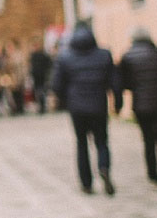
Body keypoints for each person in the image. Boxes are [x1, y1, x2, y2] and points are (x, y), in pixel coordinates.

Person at [50, 21, 121, 195]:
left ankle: (86, 183)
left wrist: (66, 100)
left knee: (81, 143)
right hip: (98, 106)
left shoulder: (65, 57)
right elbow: (115, 83)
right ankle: (104, 167)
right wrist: (118, 103)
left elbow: (56, 85)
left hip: (77, 109)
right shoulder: (104, 55)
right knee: (102, 141)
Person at [119, 26, 157, 186]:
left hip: (141, 105)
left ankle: (153, 177)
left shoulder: (127, 57)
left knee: (148, 140)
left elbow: (124, 82)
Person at [29, 36, 52, 115]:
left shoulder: (43, 55)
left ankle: (42, 106)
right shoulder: (33, 55)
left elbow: (48, 65)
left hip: (42, 76)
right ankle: (40, 106)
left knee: (42, 91)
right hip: (35, 77)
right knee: (37, 92)